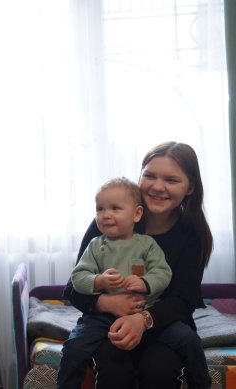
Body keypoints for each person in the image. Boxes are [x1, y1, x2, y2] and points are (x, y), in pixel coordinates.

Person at [63, 142, 213, 389]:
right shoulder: (108, 221)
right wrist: (106, 302)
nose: (157, 187)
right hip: (109, 322)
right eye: (150, 176)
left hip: (161, 321)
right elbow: (73, 288)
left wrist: (143, 320)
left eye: (172, 180)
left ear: (190, 188)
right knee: (113, 371)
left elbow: (183, 300)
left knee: (159, 371)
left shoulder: (191, 233)